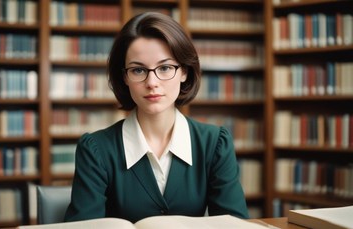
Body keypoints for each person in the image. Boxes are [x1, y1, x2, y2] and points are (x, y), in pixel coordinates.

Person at [64, 12, 249, 223]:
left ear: (184, 72)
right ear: (124, 77)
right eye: (138, 70)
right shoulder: (96, 150)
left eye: (165, 68)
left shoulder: (214, 144)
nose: (152, 82)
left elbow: (234, 225)